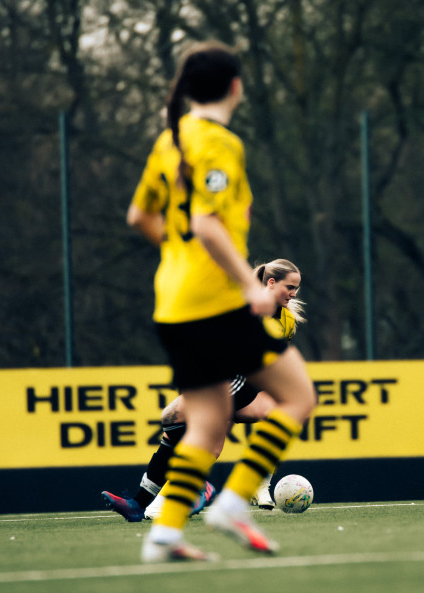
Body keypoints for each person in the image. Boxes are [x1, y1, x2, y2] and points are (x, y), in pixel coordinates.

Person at [127, 41, 316, 563]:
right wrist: (248, 285)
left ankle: (164, 535)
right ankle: (232, 504)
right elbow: (208, 223)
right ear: (236, 87)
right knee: (298, 397)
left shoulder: (169, 140)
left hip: (172, 303)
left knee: (208, 426)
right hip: (214, 302)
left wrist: (182, 255)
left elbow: (139, 218)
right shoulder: (218, 142)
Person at [101, 258, 306, 520]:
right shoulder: (244, 304)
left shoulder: (286, 320)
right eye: (290, 287)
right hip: (220, 378)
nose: (294, 294)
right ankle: (140, 504)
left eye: (296, 288)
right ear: (272, 283)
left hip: (236, 384)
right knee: (187, 433)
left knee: (177, 421)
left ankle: (210, 486)